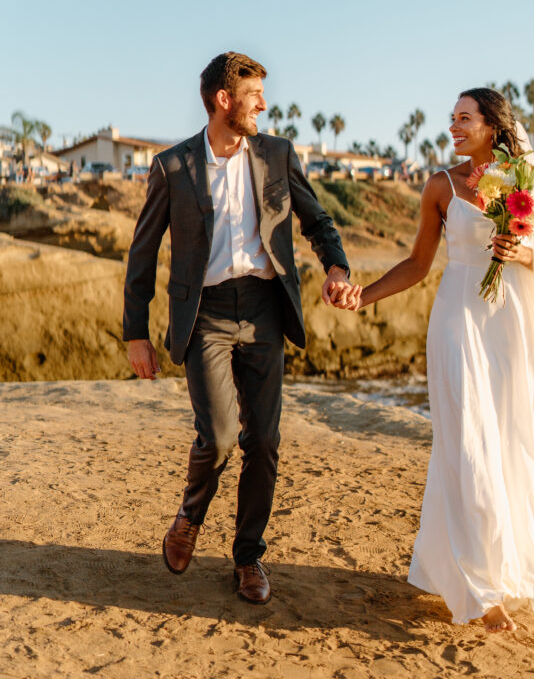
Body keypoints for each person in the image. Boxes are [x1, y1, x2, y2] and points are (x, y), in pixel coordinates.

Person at [336, 87, 534, 633]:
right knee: (470, 445)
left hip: (511, 326)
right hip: (458, 323)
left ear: (493, 126)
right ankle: (478, 592)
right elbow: (418, 263)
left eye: (464, 118)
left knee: (512, 443)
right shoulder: (440, 186)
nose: (454, 126)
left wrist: (524, 253)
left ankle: (509, 567)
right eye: (451, 119)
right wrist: (364, 294)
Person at [123, 52, 359, 604]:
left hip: (264, 307)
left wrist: (336, 266)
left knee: (266, 441)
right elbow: (142, 252)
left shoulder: (276, 154)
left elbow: (315, 217)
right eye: (255, 95)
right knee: (222, 434)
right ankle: (189, 517)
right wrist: (137, 333)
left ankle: (248, 558)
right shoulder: (173, 166)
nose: (264, 105)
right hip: (203, 312)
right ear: (224, 100)